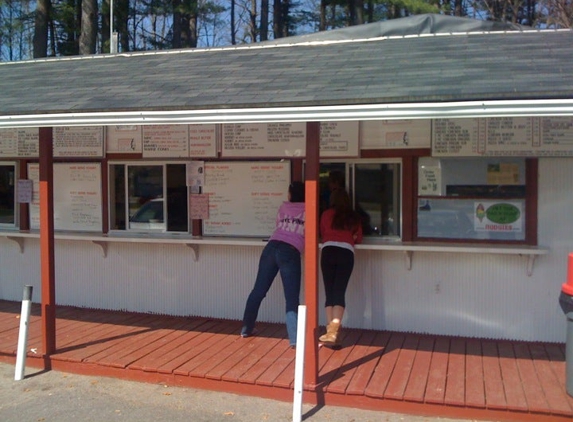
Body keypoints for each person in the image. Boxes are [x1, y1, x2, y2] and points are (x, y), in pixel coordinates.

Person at [241, 181, 305, 347]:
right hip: (290, 251)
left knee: (258, 290)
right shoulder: (309, 209)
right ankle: (295, 340)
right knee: (291, 298)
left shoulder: (284, 207)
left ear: (290, 194)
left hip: (271, 246)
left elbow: (278, 224)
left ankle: (246, 328)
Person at [319, 188, 363, 347]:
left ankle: (331, 332)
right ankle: (333, 331)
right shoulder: (353, 216)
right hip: (346, 253)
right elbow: (359, 238)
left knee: (329, 292)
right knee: (339, 291)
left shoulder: (325, 214)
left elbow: (323, 232)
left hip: (328, 251)